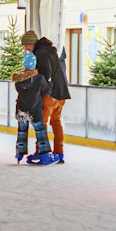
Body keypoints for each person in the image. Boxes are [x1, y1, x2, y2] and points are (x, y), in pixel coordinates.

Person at [32, 33, 70, 165]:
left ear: (32, 44)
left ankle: (41, 152)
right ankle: (59, 152)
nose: (25, 48)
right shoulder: (51, 51)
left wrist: (43, 90)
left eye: (26, 45)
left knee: (41, 123)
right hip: (61, 93)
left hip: (51, 94)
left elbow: (45, 74)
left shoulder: (40, 53)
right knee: (56, 122)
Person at [12, 49, 51, 165]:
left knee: (22, 132)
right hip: (35, 110)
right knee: (40, 131)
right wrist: (50, 84)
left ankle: (20, 154)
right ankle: (44, 154)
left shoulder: (18, 81)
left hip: (21, 110)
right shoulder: (39, 79)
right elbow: (46, 91)